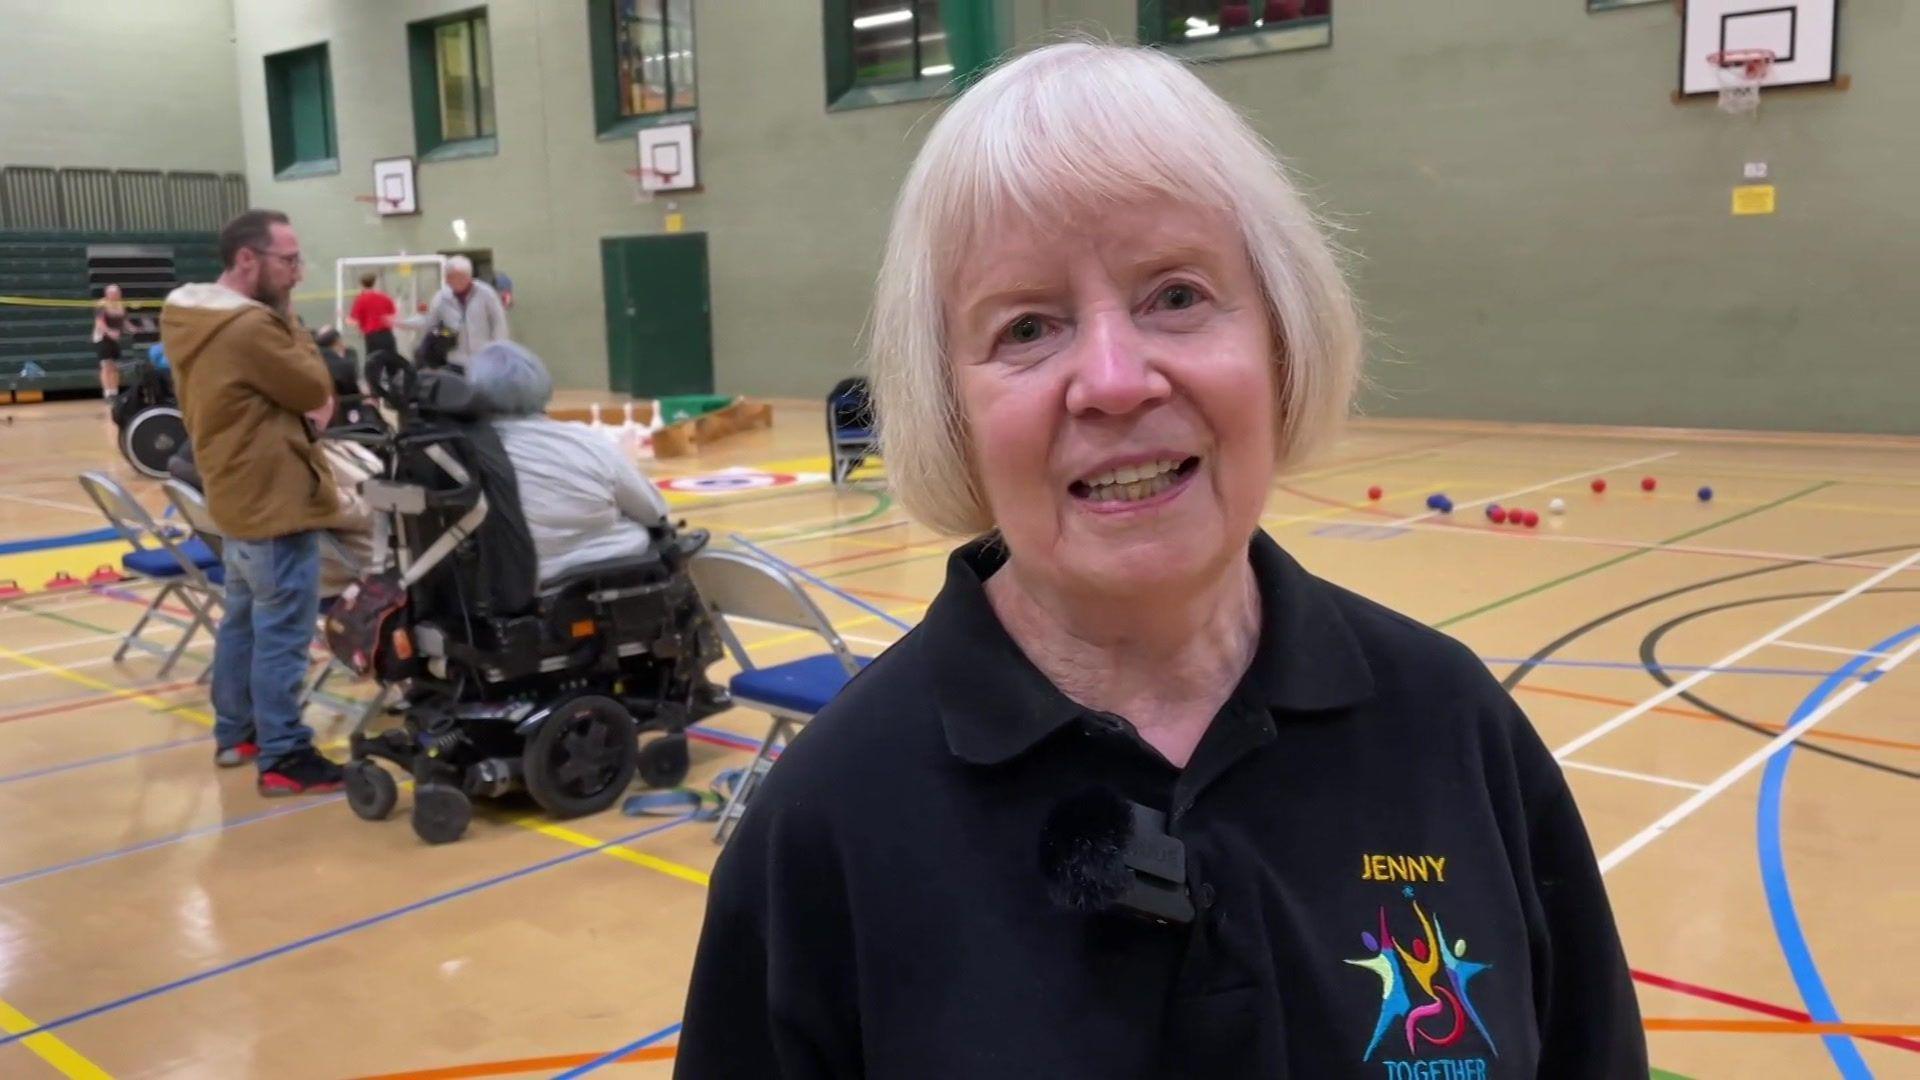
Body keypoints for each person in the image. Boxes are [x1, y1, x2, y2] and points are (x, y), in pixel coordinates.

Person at [677, 43, 1646, 1079]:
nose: (1113, 379)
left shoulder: (1454, 727)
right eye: (1029, 326)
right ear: (949, 402)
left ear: (1281, 336)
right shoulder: (827, 824)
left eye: (1176, 295)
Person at [161, 208, 346, 795]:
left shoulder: (187, 314)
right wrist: (289, 319)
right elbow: (314, 387)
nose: (297, 272)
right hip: (274, 499)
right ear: (248, 260)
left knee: (242, 619)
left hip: (233, 492)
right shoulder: (251, 327)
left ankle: (236, 731)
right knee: (284, 633)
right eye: (288, 260)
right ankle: (284, 756)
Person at [463, 341, 669, 583]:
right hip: (615, 570)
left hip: (521, 583)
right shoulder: (588, 441)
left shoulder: (466, 453)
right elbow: (655, 512)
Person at [415, 255, 508, 368]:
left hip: (484, 358)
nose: (450, 281)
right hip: (454, 360)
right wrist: (404, 323)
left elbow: (499, 323)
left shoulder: (486, 294)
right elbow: (430, 322)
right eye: (449, 277)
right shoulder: (441, 297)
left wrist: (497, 351)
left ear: (468, 276)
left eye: (456, 277)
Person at [93, 284, 133, 398]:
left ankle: (115, 391)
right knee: (106, 365)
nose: (116, 295)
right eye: (113, 293)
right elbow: (99, 322)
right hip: (102, 338)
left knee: (115, 366)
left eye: (117, 293)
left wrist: (133, 328)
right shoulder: (102, 304)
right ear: (108, 294)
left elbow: (125, 321)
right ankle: (107, 392)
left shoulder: (121, 305)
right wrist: (109, 331)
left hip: (115, 339)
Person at [347, 271, 398, 358]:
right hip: (387, 335)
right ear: (375, 283)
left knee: (373, 365)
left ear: (361, 285)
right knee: (392, 364)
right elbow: (392, 316)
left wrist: (345, 318)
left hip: (372, 337)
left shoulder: (360, 300)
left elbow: (354, 322)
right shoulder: (385, 297)